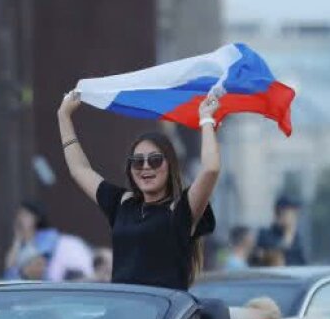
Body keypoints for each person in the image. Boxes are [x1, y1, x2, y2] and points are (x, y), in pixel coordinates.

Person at [57, 90, 220, 290]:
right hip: (124, 312)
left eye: (155, 160)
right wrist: (63, 116)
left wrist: (206, 119)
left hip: (166, 316)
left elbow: (210, 169)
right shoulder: (122, 203)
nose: (145, 167)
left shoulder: (181, 209)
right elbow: (79, 169)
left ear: (170, 166)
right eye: (137, 162)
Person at [4, 201, 59, 279]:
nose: (21, 219)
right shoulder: (20, 242)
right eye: (19, 215)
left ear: (36, 218)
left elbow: (38, 262)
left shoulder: (48, 236)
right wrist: (17, 240)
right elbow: (8, 270)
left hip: (43, 285)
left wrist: (18, 272)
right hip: (22, 286)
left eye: (25, 215)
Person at [255, 196, 306, 266]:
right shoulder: (265, 235)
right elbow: (275, 256)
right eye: (292, 213)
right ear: (281, 214)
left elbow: (302, 264)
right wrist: (289, 233)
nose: (295, 217)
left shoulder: (296, 238)